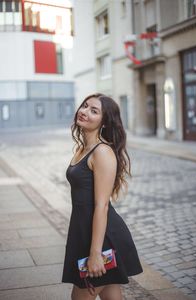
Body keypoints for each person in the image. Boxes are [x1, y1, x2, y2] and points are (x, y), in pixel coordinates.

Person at [61, 93, 143, 300]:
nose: (84, 111)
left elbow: (101, 206)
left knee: (79, 297)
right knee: (111, 296)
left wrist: (95, 253)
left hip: (103, 238)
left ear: (104, 122)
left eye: (94, 111)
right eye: (85, 106)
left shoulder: (102, 152)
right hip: (85, 230)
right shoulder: (83, 148)